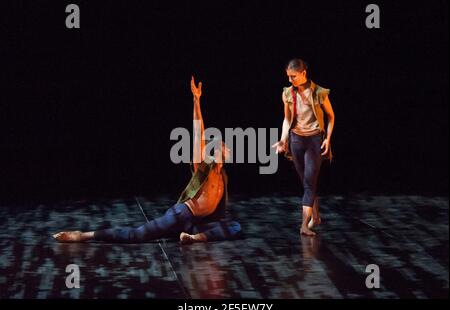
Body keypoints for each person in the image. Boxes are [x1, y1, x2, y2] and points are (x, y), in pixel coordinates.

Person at [53, 76, 241, 244]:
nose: (226, 148)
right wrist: (196, 101)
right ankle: (83, 235)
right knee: (136, 236)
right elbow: (198, 133)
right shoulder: (204, 167)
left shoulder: (223, 177)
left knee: (234, 227)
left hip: (195, 224)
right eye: (222, 146)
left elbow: (218, 210)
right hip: (181, 215)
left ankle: (192, 238)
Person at [272, 58, 335, 236]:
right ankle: (316, 216)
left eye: (293, 76)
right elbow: (286, 119)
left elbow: (331, 117)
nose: (290, 80)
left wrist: (327, 139)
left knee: (309, 183)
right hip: (296, 141)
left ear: (303, 73)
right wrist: (283, 140)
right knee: (307, 183)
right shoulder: (287, 93)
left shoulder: (319, 93)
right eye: (288, 77)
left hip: (314, 141)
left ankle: (304, 226)